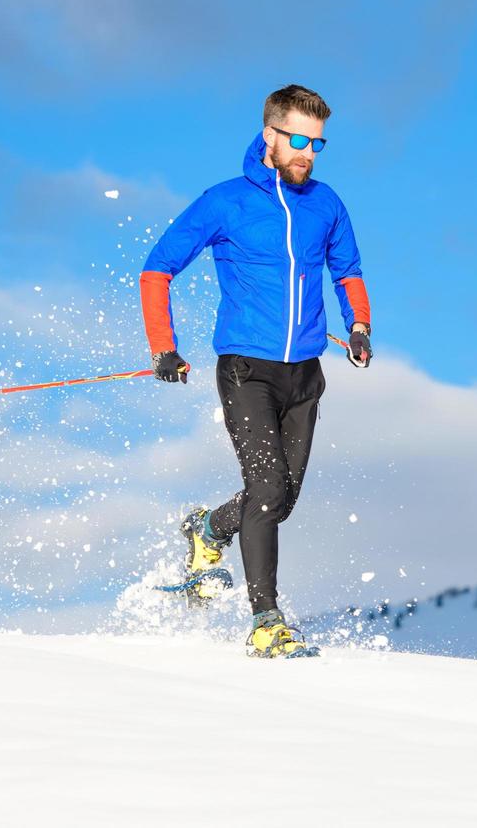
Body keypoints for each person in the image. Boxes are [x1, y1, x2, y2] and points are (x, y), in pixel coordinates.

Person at [139, 83, 372, 658]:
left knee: (282, 499)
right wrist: (163, 348)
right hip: (248, 370)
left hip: (305, 375)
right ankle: (266, 622)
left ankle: (209, 529)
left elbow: (347, 272)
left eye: (317, 144)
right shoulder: (227, 201)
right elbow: (156, 270)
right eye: (297, 140)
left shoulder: (326, 202)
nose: (307, 153)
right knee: (267, 489)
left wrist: (359, 327)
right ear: (270, 134)